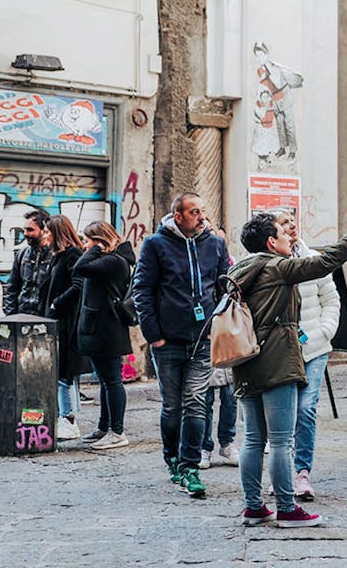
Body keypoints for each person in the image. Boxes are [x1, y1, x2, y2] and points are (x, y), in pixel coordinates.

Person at [232, 207, 347, 528]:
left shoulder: (243, 267)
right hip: (277, 362)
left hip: (246, 362)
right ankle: (286, 508)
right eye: (283, 234)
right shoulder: (279, 268)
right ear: (271, 242)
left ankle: (253, 507)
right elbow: (328, 260)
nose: (289, 237)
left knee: (254, 439)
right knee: (283, 440)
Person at [132, 193, 230, 498]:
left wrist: (218, 325)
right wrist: (154, 335)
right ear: (178, 216)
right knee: (172, 405)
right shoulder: (155, 244)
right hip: (168, 341)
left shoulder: (215, 244)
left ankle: (189, 467)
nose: (201, 217)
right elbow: (142, 291)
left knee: (195, 402)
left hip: (202, 339)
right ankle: (171, 457)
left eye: (203, 211)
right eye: (194, 212)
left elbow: (224, 287)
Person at [271, 209, 341, 502]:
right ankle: (282, 474)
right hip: (282, 351)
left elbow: (331, 299)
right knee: (283, 413)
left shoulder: (314, 259)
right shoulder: (271, 264)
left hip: (314, 347)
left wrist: (325, 331)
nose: (291, 227)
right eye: (284, 224)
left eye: (292, 222)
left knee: (306, 409)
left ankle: (302, 473)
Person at [74, 221, 136, 450]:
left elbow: (79, 268)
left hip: (108, 329)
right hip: (99, 328)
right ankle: (104, 427)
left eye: (88, 240)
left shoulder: (113, 261)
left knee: (112, 381)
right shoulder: (108, 260)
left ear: (100, 240)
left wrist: (96, 248)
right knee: (105, 381)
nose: (85, 244)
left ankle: (117, 431)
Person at [43, 215, 86, 442]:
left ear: (58, 233)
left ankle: (68, 419)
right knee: (63, 373)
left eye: (48, 232)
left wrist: (56, 303)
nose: (45, 236)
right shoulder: (58, 257)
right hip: (57, 322)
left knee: (64, 374)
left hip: (67, 324)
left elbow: (78, 286)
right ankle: (66, 417)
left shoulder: (72, 255)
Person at [3, 209, 53, 316]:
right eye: (24, 230)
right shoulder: (22, 255)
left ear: (44, 231)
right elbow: (12, 288)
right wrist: (11, 316)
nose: (25, 234)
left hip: (45, 318)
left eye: (30, 230)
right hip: (23, 316)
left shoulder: (55, 256)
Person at [199, 369, 238, 468]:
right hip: (205, 359)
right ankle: (204, 446)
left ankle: (227, 443)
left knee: (230, 399)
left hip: (228, 358)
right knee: (205, 402)